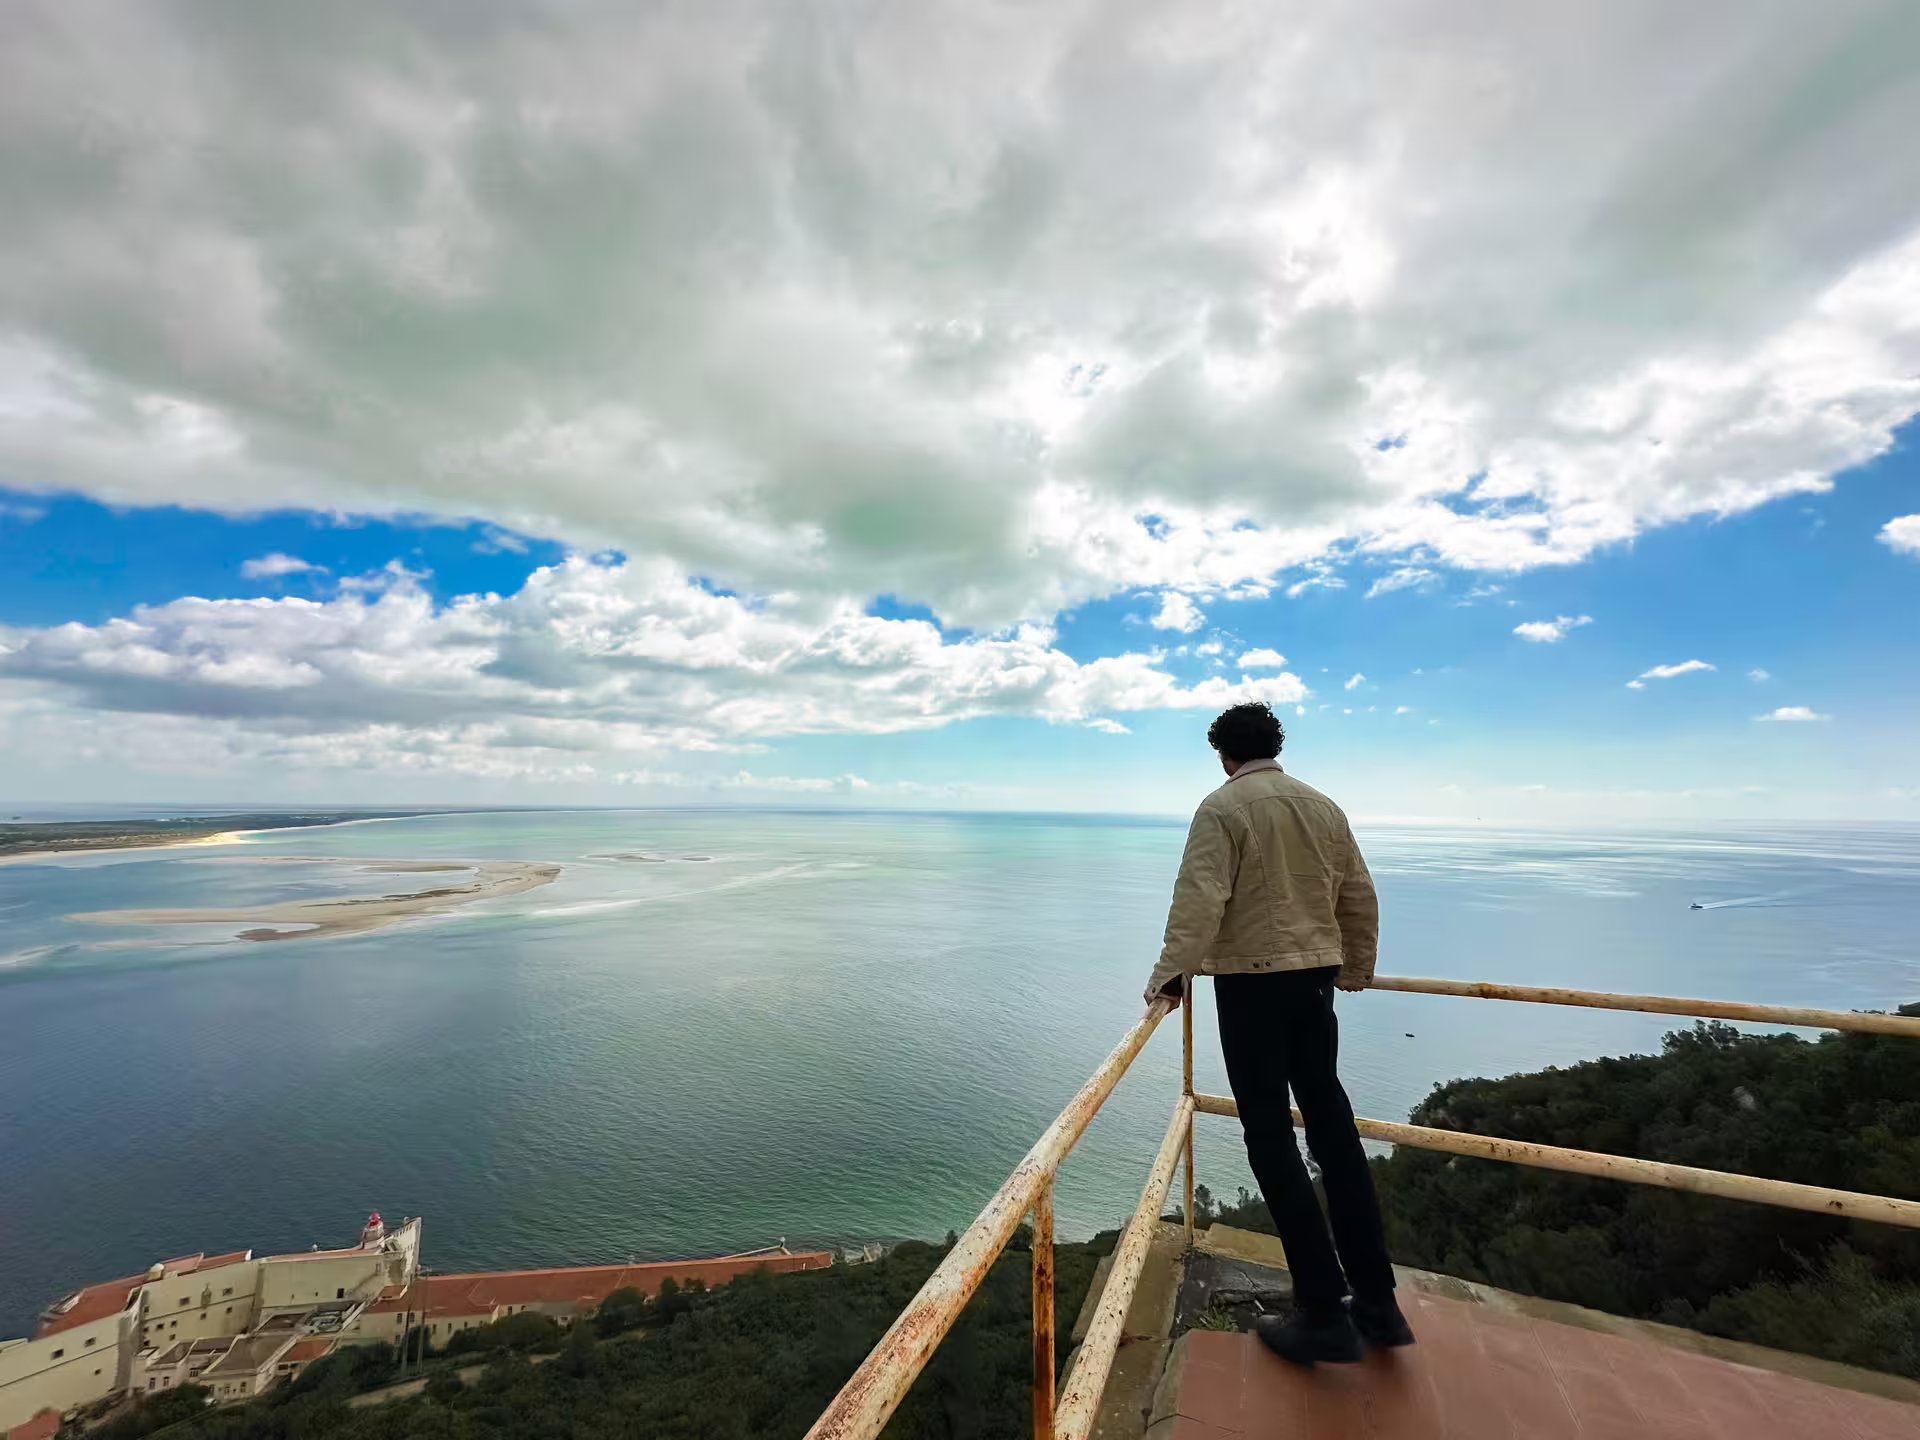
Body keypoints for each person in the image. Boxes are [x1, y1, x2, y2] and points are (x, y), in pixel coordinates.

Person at [1142, 701, 1413, 1365]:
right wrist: (1356, 968)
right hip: (1315, 981)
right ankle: (1377, 1301)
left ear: (1224, 754)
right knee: (1332, 1126)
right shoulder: (1322, 806)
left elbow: (1199, 901)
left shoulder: (1222, 809)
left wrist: (1169, 977)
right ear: (1275, 745)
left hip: (1252, 982)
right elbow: (1359, 894)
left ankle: (1321, 1307)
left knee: (1269, 1135)